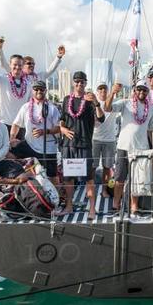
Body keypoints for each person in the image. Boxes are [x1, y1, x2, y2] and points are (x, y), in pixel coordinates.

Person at [105, 80, 153, 216]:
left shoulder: (151, 108)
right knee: (119, 178)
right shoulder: (125, 102)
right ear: (134, 90)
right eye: (139, 89)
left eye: (144, 90)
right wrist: (113, 92)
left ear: (147, 92)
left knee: (137, 180)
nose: (141, 92)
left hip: (142, 149)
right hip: (124, 146)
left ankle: (134, 207)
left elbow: (151, 131)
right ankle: (116, 205)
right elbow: (107, 108)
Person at [58, 71, 105, 218]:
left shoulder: (90, 100)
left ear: (86, 83)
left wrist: (96, 103)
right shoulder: (66, 100)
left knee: (89, 179)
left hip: (85, 145)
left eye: (82, 82)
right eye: (77, 81)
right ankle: (69, 206)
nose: (79, 84)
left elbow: (101, 118)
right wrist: (63, 129)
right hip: (68, 145)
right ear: (73, 83)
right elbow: (62, 120)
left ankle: (92, 209)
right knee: (68, 179)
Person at [9, 80, 61, 184]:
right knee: (7, 153)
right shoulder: (26, 107)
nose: (39, 91)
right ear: (32, 91)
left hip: (48, 148)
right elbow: (16, 124)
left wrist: (44, 131)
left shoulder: (52, 108)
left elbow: (59, 128)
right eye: (36, 89)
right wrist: (12, 138)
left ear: (45, 91)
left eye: (41, 89)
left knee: (52, 176)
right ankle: (15, 177)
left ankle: (57, 198)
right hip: (29, 144)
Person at [0, 37, 65, 81]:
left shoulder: (39, 77)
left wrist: (58, 57)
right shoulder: (17, 74)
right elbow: (4, 64)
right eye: (29, 63)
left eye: (33, 64)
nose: (32, 65)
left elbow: (51, 69)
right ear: (22, 65)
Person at [93, 81, 118, 198]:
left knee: (107, 168)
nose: (103, 91)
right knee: (92, 167)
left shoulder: (114, 103)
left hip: (110, 140)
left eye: (104, 89)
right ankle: (91, 190)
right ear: (97, 92)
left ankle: (104, 190)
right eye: (100, 89)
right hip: (95, 139)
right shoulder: (91, 105)